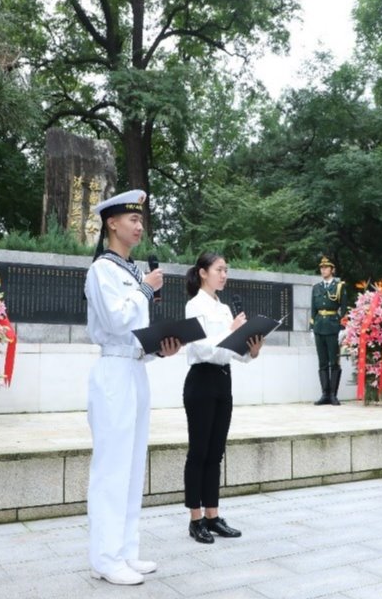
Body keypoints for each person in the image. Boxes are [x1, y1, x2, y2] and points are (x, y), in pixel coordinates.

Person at [83, 189, 181, 585]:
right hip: (113, 372)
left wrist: (160, 348)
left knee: (133, 464)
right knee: (112, 467)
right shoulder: (102, 270)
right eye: (133, 219)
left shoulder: (132, 272)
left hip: (135, 368)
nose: (139, 226)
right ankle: (106, 559)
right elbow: (115, 322)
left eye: (141, 220)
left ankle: (125, 550)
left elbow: (136, 335)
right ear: (112, 223)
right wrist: (145, 290)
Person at [183, 252, 263, 544]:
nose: (224, 275)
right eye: (219, 269)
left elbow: (235, 352)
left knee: (216, 452)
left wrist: (252, 349)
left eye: (226, 270)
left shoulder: (226, 308)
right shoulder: (194, 305)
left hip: (223, 381)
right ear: (203, 272)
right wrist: (230, 331)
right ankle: (195, 519)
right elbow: (202, 349)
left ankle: (213, 516)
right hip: (201, 380)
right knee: (199, 452)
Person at [310, 256, 347, 405]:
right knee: (322, 362)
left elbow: (343, 308)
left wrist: (342, 328)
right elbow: (313, 309)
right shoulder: (316, 287)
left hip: (333, 326)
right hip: (319, 326)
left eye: (326, 267)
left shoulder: (339, 286)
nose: (323, 270)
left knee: (334, 362)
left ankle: (333, 394)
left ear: (332, 270)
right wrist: (311, 328)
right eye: (321, 268)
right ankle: (325, 394)